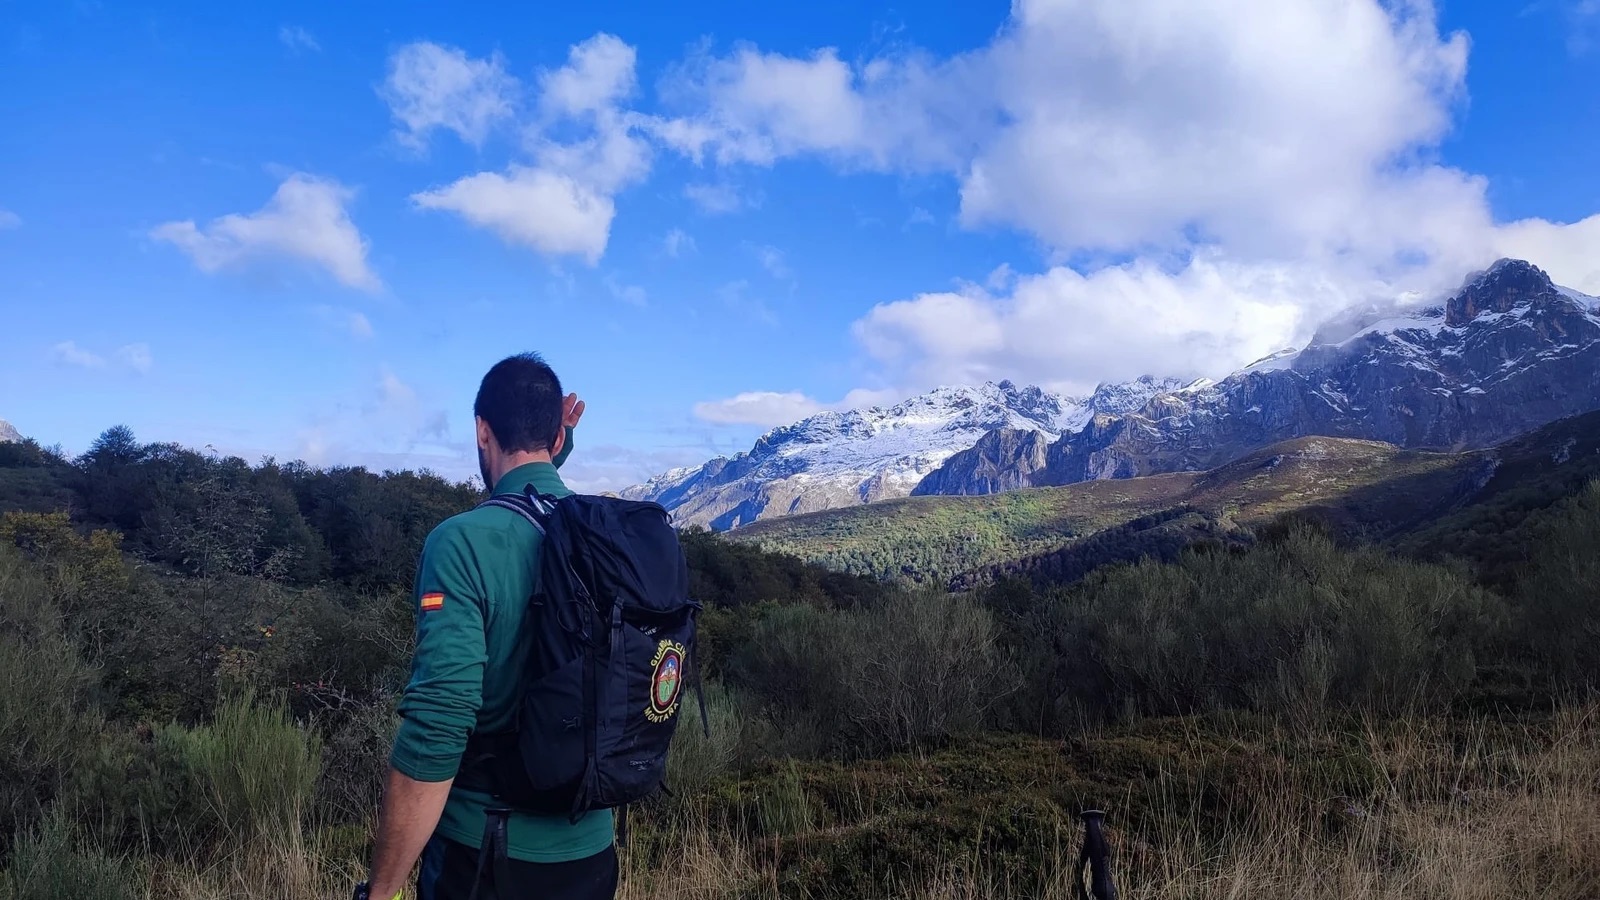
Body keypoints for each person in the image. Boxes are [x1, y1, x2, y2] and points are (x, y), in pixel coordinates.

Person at [356, 352, 616, 900]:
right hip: (592, 855)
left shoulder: (462, 542)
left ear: (481, 430)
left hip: (488, 861)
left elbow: (438, 725)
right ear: (554, 435)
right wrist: (551, 453)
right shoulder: (603, 538)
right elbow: (539, 507)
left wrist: (381, 891)